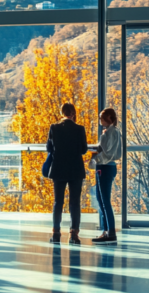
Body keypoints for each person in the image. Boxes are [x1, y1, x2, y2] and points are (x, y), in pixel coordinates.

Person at [46, 103, 88, 244]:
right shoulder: (80, 129)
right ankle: (74, 234)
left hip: (58, 169)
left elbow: (49, 148)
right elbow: (83, 150)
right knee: (75, 203)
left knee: (58, 202)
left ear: (62, 112)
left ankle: (56, 233)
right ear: (73, 114)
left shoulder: (54, 128)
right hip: (75, 169)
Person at [92, 108, 121, 244]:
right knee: (101, 198)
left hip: (105, 167)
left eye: (101, 118)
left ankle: (110, 231)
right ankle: (106, 231)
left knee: (104, 200)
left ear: (108, 118)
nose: (99, 121)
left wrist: (96, 158)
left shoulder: (111, 133)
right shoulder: (111, 132)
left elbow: (108, 153)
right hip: (105, 167)